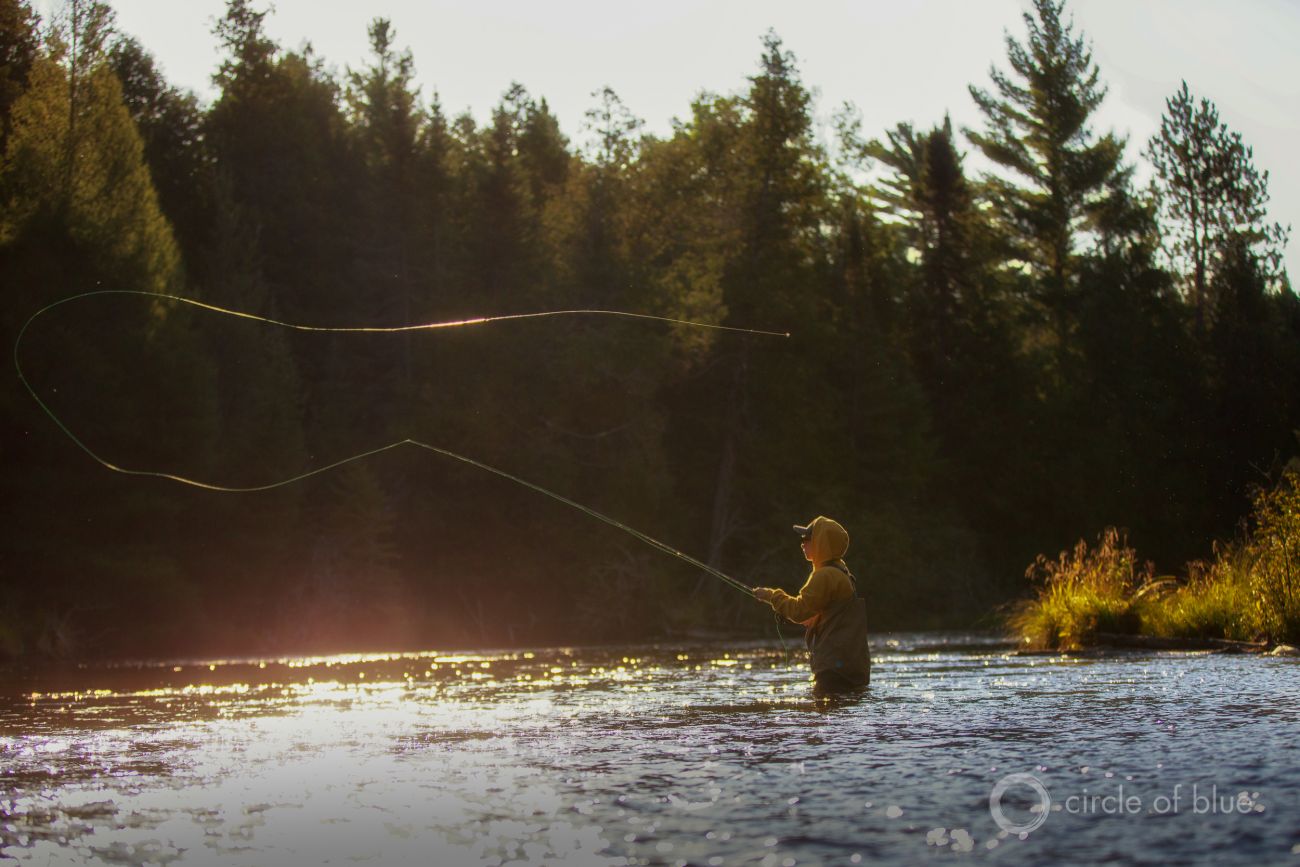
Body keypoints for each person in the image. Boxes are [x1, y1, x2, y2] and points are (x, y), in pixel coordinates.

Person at [752, 516, 871, 692]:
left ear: (821, 543)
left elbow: (799, 611)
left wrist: (771, 596)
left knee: (825, 715)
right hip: (853, 668)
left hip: (833, 670)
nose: (802, 544)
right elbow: (825, 614)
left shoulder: (824, 576)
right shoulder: (843, 572)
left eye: (806, 539)